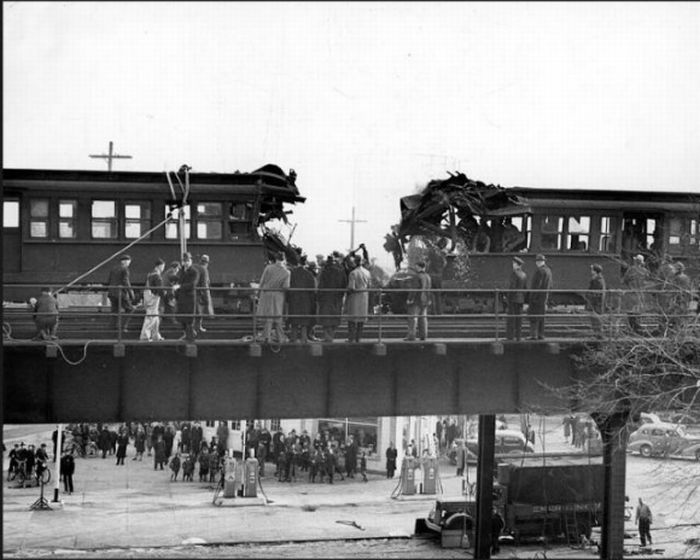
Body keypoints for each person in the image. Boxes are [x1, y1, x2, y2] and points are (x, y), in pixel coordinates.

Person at [256, 251, 291, 344]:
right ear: (284, 259)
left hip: (266, 293)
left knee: (268, 315)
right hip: (278, 295)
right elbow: (286, 286)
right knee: (278, 316)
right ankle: (280, 337)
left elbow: (262, 281)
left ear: (276, 259)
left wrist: (258, 292)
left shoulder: (268, 268)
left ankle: (266, 336)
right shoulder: (287, 272)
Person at [317, 253, 348, 342]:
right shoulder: (341, 271)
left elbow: (321, 285)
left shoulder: (325, 271)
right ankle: (331, 336)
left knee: (326, 318)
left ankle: (328, 337)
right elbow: (344, 284)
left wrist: (319, 296)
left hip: (326, 298)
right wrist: (341, 295)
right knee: (335, 318)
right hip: (337, 298)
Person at [287, 254, 316, 343]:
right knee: (304, 322)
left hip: (294, 299)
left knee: (294, 322)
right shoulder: (309, 274)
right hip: (305, 300)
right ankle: (304, 340)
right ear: (305, 263)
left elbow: (288, 286)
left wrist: (288, 299)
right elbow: (312, 290)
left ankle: (293, 339)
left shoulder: (292, 273)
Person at [175, 252, 201, 341]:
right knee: (182, 317)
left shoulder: (194, 272)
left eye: (188, 261)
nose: (186, 263)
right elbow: (179, 281)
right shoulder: (182, 271)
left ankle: (190, 336)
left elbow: (193, 284)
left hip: (189, 297)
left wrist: (180, 287)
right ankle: (187, 334)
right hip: (182, 297)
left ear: (191, 261)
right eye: (184, 261)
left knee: (189, 318)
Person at [345, 255, 371, 342]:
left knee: (352, 319)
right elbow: (370, 286)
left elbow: (351, 287)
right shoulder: (367, 272)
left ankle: (351, 338)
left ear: (355, 262)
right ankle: (358, 338)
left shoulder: (353, 273)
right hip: (364, 296)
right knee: (361, 320)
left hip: (355, 297)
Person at [106, 254, 136, 332]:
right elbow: (126, 281)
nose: (129, 263)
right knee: (130, 309)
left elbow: (108, 281)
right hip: (120, 293)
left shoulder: (113, 269)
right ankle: (123, 327)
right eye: (129, 262)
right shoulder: (125, 269)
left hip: (112, 293)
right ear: (125, 261)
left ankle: (111, 328)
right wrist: (131, 293)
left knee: (115, 310)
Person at [527, 254, 553, 340]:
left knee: (533, 316)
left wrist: (532, 297)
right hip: (544, 297)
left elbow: (536, 285)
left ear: (538, 262)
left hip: (537, 297)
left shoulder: (539, 271)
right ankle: (541, 334)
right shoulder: (548, 270)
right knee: (541, 317)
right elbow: (550, 285)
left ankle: (533, 335)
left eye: (536, 261)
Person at [405, 261, 432, 341]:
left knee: (413, 318)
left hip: (417, 299)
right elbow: (429, 289)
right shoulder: (428, 276)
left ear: (419, 267)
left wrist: (410, 299)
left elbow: (414, 289)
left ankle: (411, 335)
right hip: (425, 299)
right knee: (423, 318)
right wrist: (429, 299)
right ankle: (423, 335)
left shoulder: (417, 276)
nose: (415, 268)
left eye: (416, 266)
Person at [140, 259, 166, 341]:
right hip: (153, 297)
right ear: (160, 266)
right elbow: (160, 288)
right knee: (151, 316)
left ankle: (156, 335)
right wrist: (164, 294)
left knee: (155, 316)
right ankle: (145, 336)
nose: (163, 268)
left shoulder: (150, 274)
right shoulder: (157, 276)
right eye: (163, 266)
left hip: (147, 295)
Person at [622, 254, 649, 334]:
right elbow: (648, 279)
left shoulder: (631, 270)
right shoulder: (645, 271)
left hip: (632, 293)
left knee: (630, 312)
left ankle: (632, 328)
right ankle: (636, 327)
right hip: (640, 293)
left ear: (635, 261)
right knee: (638, 311)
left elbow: (624, 280)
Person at [505, 257, 528, 341]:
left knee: (511, 319)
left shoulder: (514, 274)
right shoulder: (524, 274)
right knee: (519, 318)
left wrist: (508, 297)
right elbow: (525, 288)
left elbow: (512, 287)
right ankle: (518, 336)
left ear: (517, 265)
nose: (513, 265)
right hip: (521, 299)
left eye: (514, 264)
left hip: (513, 299)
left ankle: (510, 337)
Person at [586, 264, 606, 337]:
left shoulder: (598, 281)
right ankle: (596, 334)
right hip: (595, 303)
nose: (591, 271)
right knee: (595, 320)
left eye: (592, 270)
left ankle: (598, 335)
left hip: (596, 303)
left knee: (596, 320)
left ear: (595, 271)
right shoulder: (597, 280)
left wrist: (590, 297)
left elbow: (597, 293)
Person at [196, 254, 214, 333]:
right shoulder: (204, 270)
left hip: (194, 292)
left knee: (195, 311)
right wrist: (206, 298)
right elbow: (204, 284)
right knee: (200, 311)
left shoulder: (196, 267)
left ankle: (194, 328)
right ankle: (198, 327)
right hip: (200, 293)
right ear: (207, 263)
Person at [163, 261, 181, 325]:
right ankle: (173, 320)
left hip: (166, 290)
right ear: (175, 268)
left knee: (168, 306)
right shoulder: (171, 272)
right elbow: (174, 279)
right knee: (173, 305)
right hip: (169, 291)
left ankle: (166, 317)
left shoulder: (168, 272)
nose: (178, 270)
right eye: (178, 268)